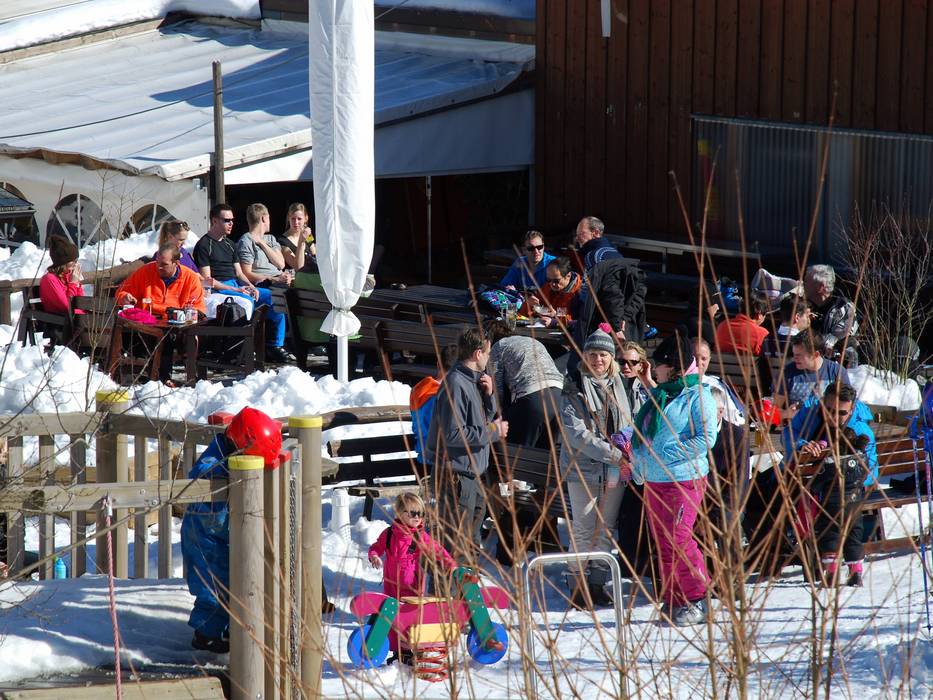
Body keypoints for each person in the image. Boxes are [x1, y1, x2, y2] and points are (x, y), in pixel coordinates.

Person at [631, 334, 719, 626]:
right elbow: (655, 420)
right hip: (655, 479)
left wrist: (664, 455)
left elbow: (706, 438)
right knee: (664, 542)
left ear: (672, 368)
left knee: (679, 538)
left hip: (683, 478)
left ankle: (699, 597)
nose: (653, 369)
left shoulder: (698, 396)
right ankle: (675, 597)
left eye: (657, 364)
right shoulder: (664, 393)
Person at [181, 407, 283, 653]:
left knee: (231, 584)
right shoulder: (216, 458)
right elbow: (200, 473)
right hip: (203, 538)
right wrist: (229, 470)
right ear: (241, 444)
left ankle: (223, 629)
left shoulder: (230, 446)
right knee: (213, 588)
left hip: (220, 536)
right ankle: (205, 636)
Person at [560, 329, 633, 608]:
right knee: (583, 528)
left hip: (616, 470)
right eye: (592, 354)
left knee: (605, 527)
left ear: (611, 357)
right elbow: (577, 435)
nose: (597, 359)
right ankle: (577, 585)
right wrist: (614, 454)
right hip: (584, 469)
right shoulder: (573, 387)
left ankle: (598, 583)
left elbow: (631, 421)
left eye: (603, 354)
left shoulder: (621, 385)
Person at [782, 383, 877, 586]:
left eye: (841, 413)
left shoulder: (860, 430)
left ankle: (834, 568)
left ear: (852, 409)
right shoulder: (809, 411)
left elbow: (871, 473)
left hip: (843, 495)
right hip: (814, 490)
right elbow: (789, 433)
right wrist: (801, 445)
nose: (834, 417)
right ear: (823, 402)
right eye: (830, 410)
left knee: (834, 527)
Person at [425, 329, 508, 559]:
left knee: (471, 542)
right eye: (488, 353)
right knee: (457, 544)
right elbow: (453, 434)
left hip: (474, 473)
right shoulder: (455, 384)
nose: (488, 358)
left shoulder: (472, 381)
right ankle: (451, 583)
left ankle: (466, 582)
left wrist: (489, 396)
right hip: (457, 475)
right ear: (478, 353)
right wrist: (493, 431)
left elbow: (478, 422)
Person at [193, 203, 293, 364]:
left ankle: (274, 345)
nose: (231, 223)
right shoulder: (204, 245)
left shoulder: (230, 244)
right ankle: (242, 348)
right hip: (219, 289)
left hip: (234, 285)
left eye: (232, 220)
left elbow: (240, 273)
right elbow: (208, 280)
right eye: (227, 220)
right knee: (246, 300)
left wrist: (251, 287)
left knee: (274, 297)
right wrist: (236, 289)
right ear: (214, 221)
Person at [368, 492, 457, 663]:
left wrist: (450, 564)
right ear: (399, 513)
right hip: (391, 584)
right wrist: (374, 555)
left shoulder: (419, 536)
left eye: (420, 513)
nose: (418, 517)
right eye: (413, 513)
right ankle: (397, 651)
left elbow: (437, 549)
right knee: (392, 617)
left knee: (409, 618)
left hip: (411, 585)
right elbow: (376, 547)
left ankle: (410, 651)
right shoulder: (389, 534)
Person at [485, 319, 564, 448]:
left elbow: (497, 389)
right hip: (560, 395)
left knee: (519, 452)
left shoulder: (498, 347)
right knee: (546, 454)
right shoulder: (533, 341)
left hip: (533, 397)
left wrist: (495, 417)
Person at [572, 215, 647, 344]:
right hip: (622, 321)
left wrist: (616, 326)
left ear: (595, 233)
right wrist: (624, 317)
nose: (577, 238)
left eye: (581, 234)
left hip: (602, 324)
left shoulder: (594, 256)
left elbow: (611, 292)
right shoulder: (614, 253)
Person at [116, 244, 205, 319]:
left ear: (177, 263)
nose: (159, 267)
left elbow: (199, 309)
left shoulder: (191, 278)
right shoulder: (145, 271)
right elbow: (121, 292)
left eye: (164, 264)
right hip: (145, 322)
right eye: (157, 262)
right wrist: (124, 298)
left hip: (176, 324)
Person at [774, 332, 850, 417]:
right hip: (797, 422)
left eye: (799, 355)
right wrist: (787, 414)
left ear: (815, 355)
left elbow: (848, 406)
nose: (794, 359)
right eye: (794, 354)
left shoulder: (836, 372)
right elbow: (774, 410)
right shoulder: (787, 373)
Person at [410, 344, 459, 469]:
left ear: (438, 364)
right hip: (443, 463)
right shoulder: (446, 396)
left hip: (423, 459)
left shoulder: (418, 390)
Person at [803, 264, 859, 363]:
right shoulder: (802, 304)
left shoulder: (844, 308)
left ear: (821, 287)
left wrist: (804, 333)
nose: (803, 283)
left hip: (834, 365)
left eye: (806, 281)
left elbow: (833, 342)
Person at [236, 203, 292, 288]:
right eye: (269, 218)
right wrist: (273, 279)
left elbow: (281, 264)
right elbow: (246, 274)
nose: (270, 221)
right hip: (265, 285)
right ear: (263, 218)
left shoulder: (271, 238)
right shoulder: (246, 241)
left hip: (280, 281)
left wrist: (262, 244)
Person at [524, 256, 583, 326]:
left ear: (568, 276)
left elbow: (582, 322)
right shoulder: (547, 287)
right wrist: (529, 304)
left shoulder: (582, 293)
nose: (552, 284)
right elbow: (524, 315)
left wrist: (555, 317)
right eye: (548, 280)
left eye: (556, 281)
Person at [39, 235, 84, 316]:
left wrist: (78, 285)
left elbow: (81, 303)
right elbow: (67, 306)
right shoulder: (49, 279)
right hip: (59, 321)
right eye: (73, 261)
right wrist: (73, 284)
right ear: (63, 262)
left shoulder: (68, 276)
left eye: (76, 260)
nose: (76, 264)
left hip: (75, 318)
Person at [675, 280, 721, 348]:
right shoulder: (699, 325)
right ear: (706, 304)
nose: (717, 308)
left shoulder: (688, 317)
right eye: (715, 303)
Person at [277, 202, 317, 271]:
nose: (296, 222)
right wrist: (301, 241)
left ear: (306, 219)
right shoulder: (282, 241)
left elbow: (314, 253)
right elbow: (298, 267)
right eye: (293, 218)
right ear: (288, 218)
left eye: (299, 219)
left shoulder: (307, 234)